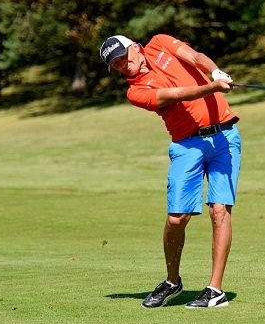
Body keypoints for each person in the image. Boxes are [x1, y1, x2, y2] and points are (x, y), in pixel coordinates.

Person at [99, 34, 240, 309]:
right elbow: (175, 94)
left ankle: (215, 289)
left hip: (225, 137)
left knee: (220, 210)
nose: (123, 65)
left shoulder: (160, 43)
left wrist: (214, 71)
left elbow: (195, 57)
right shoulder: (135, 91)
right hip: (187, 145)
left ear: (135, 48)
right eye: (116, 65)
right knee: (177, 218)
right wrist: (212, 86)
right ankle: (172, 280)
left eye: (123, 57)